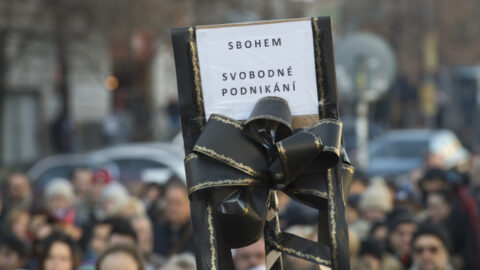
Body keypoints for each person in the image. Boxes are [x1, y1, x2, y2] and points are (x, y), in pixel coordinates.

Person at [153, 181, 194, 257]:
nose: (173, 208)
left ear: (189, 206)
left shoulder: (197, 235)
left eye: (178, 203)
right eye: (170, 202)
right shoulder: (155, 232)